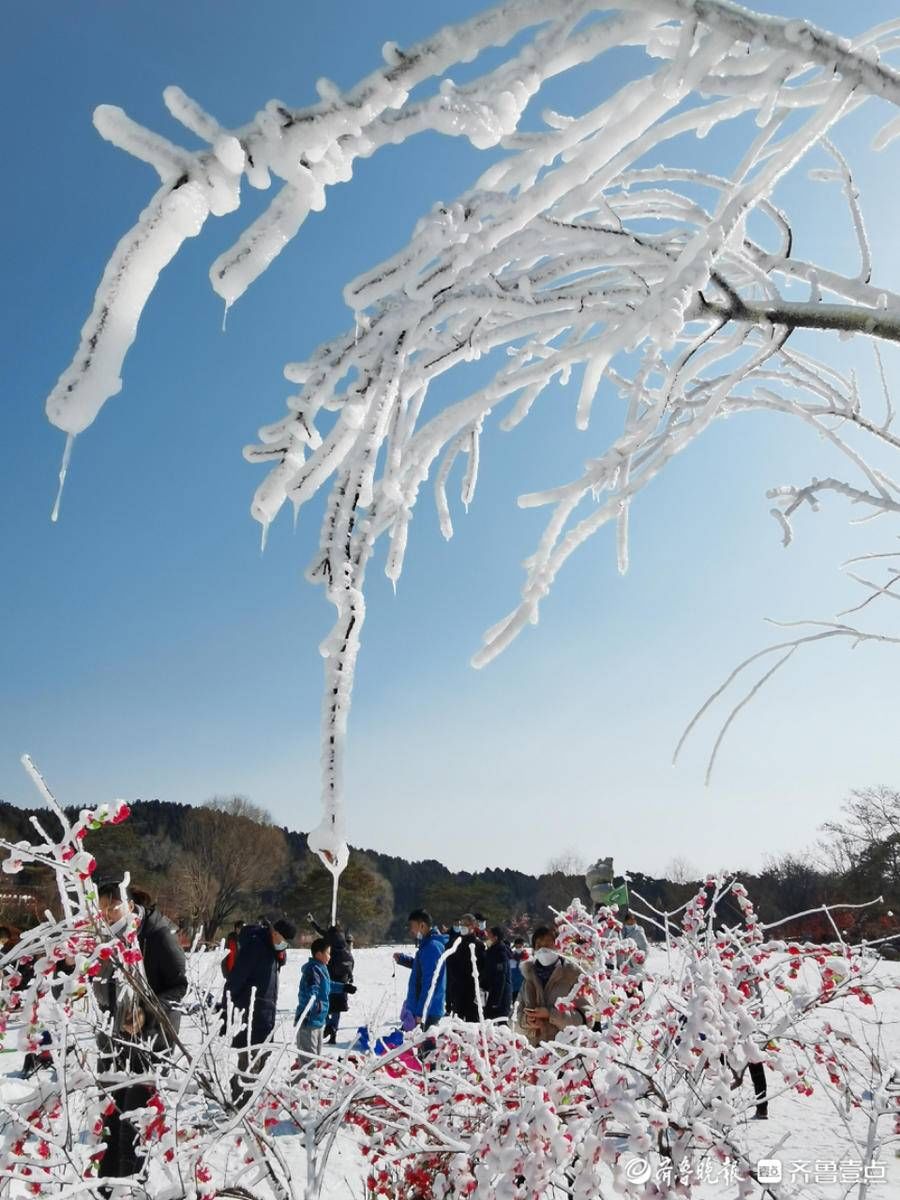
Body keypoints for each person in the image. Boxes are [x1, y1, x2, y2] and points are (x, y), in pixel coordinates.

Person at [93, 879, 187, 1187]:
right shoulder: (108, 939)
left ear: (130, 905)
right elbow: (103, 990)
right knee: (109, 1124)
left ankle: (130, 1190)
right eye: (102, 907)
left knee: (132, 1127)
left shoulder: (157, 935)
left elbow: (178, 986)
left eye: (112, 906)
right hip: (116, 1044)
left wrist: (147, 1014)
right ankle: (106, 1190)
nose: (106, 913)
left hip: (151, 1043)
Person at [223, 916, 296, 1100]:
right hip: (250, 1015)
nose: (284, 945)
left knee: (261, 1058)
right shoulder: (255, 947)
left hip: (265, 1014)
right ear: (275, 933)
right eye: (282, 940)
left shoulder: (272, 950)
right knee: (250, 1064)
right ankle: (239, 1104)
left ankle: (235, 1094)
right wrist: (227, 1010)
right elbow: (236, 979)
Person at [516, 925, 588, 1046]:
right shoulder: (528, 979)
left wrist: (551, 1014)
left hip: (565, 1053)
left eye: (548, 944)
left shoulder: (573, 977)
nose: (543, 949)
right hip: (534, 1053)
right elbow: (513, 1019)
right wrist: (527, 1021)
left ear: (559, 946)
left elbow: (586, 1019)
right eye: (539, 945)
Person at [295, 937, 356, 1064]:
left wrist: (344, 987)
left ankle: (311, 1082)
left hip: (318, 1019)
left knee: (315, 1059)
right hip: (308, 1020)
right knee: (308, 1061)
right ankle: (303, 1083)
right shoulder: (313, 970)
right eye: (328, 953)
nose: (330, 956)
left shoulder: (321, 968)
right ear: (318, 954)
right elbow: (313, 990)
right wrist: (314, 1006)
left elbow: (327, 985)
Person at [393, 909, 447, 1031]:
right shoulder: (427, 945)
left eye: (412, 926)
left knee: (424, 1048)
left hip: (426, 1011)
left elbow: (430, 982)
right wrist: (403, 959)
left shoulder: (432, 947)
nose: (411, 930)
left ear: (422, 925)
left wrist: (421, 1011)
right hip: (421, 1008)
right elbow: (421, 968)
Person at [306, 914, 355, 1045]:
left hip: (330, 977)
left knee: (326, 1005)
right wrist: (350, 977)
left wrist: (313, 922)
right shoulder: (344, 943)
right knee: (338, 1008)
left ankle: (329, 1026)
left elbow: (320, 931)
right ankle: (334, 1031)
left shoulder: (329, 939)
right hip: (343, 979)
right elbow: (351, 962)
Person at [444, 913, 484, 1022]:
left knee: (473, 1023)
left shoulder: (479, 945)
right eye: (462, 924)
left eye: (466, 924)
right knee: (457, 1023)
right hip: (458, 990)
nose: (463, 926)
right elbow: (450, 967)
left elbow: (483, 969)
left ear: (473, 926)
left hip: (473, 991)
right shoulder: (455, 944)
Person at [482, 926, 512, 1020]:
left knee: (498, 1021)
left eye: (489, 936)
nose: (488, 938)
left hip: (500, 994)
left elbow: (501, 976)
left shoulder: (500, 953)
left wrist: (496, 1000)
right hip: (493, 991)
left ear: (495, 937)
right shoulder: (492, 951)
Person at [509, 937, 527, 1008]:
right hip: (514, 987)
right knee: (515, 1006)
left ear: (523, 946)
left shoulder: (528, 958)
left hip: (525, 987)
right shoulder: (511, 958)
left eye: (520, 946)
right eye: (517, 946)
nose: (519, 948)